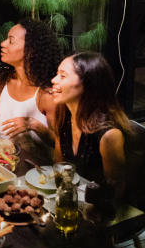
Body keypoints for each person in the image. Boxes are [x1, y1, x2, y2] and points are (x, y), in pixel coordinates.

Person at [0, 18, 61, 141]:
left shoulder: (47, 93)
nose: (3, 43)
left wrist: (33, 124)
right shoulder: (4, 79)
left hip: (34, 160)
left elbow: (59, 144)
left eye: (11, 41)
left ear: (30, 51)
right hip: (3, 157)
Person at [50, 52, 131, 192]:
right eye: (57, 74)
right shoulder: (63, 116)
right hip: (69, 198)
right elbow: (59, 167)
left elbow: (116, 190)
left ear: (87, 84)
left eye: (62, 76)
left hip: (97, 207)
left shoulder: (109, 135)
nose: (53, 80)